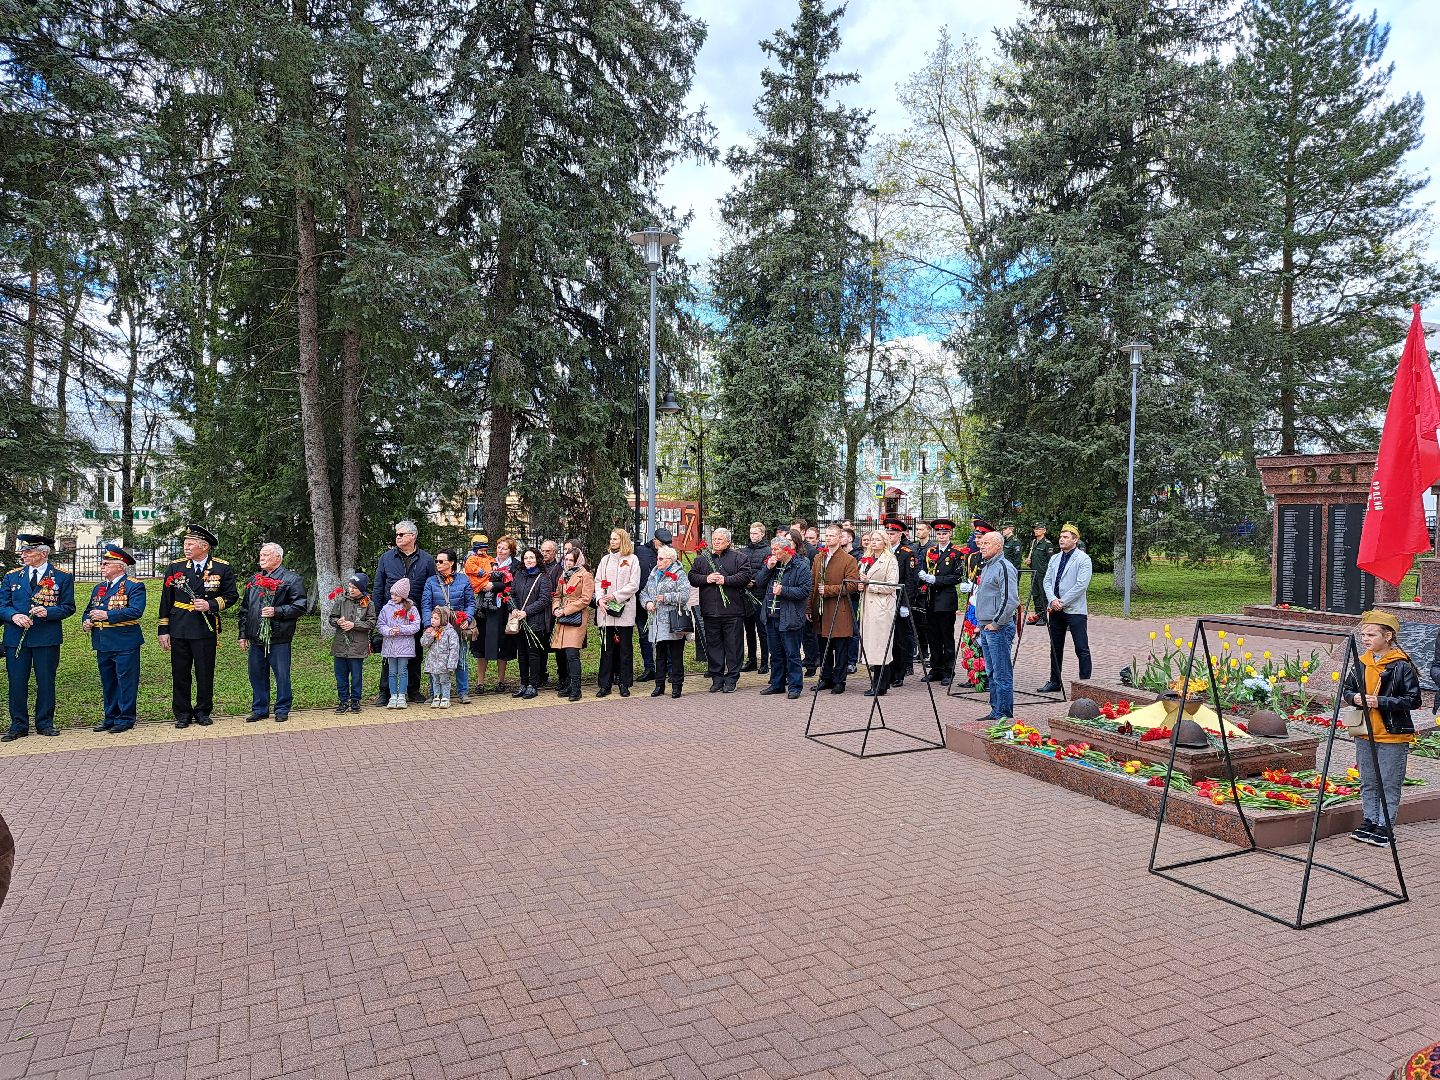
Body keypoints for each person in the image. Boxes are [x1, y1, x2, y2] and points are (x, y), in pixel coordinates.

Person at [1341, 610, 1422, 847]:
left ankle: (1384, 825)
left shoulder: (1401, 665)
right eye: (1363, 634)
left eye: (1371, 635)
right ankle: (1369, 820)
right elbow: (1347, 689)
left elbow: (1413, 700)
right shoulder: (1361, 662)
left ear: (1387, 636)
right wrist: (1354, 697)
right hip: (1364, 731)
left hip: (1392, 734)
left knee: (1388, 781)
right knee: (1368, 779)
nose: (1365, 639)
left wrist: (1381, 702)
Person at [158, 523, 238, 730]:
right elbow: (165, 601)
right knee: (180, 672)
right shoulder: (175, 568)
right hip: (180, 627)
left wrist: (210, 605)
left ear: (204, 546)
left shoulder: (221, 567)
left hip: (205, 628)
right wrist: (163, 630)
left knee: (204, 672)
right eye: (185, 543)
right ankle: (182, 713)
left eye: (190, 543)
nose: (186, 547)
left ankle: (203, 711)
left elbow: (231, 596)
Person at [1, 533, 76, 741]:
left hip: (46, 637)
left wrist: (49, 612)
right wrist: (14, 615)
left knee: (45, 681)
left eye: (28, 551)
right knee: (16, 682)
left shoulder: (62, 576)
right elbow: (2, 606)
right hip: (16, 638)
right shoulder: (12, 576)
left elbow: (69, 607)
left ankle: (45, 723)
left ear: (42, 553)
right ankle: (18, 725)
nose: (23, 554)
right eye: (23, 551)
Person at [237, 542, 309, 723]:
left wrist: (277, 611)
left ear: (278, 557)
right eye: (261, 555)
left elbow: (300, 606)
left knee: (282, 675)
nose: (261, 558)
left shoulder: (291, 579)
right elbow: (245, 609)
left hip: (279, 637)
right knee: (257, 675)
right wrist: (243, 634)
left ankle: (282, 708)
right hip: (256, 637)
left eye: (266, 555)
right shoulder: (253, 580)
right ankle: (260, 709)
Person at [80, 542, 145, 735]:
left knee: (126, 682)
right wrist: (86, 621)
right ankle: (110, 717)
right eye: (102, 564)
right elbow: (88, 611)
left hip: (125, 641)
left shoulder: (134, 586)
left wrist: (107, 615)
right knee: (108, 682)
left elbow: (136, 611)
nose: (102, 567)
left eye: (106, 564)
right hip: (102, 641)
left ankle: (125, 718)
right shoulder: (99, 588)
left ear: (120, 566)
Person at [372, 520, 436, 705]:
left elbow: (431, 586)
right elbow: (378, 586)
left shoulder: (426, 559)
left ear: (412, 536)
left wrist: (428, 616)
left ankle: (413, 690)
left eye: (401, 534)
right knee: (389, 654)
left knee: (415, 652)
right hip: (390, 613)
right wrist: (378, 614)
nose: (397, 537)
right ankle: (385, 692)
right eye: (397, 534)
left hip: (415, 614)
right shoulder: (387, 558)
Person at [690, 527, 750, 693]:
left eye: (720, 539)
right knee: (714, 646)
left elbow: (745, 576)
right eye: (714, 539)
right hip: (710, 611)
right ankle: (717, 678)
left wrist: (726, 580)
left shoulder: (740, 558)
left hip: (733, 611)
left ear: (728, 542)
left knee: (733, 646)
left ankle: (732, 678)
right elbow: (692, 577)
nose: (716, 542)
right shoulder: (703, 559)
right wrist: (706, 578)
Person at [1037, 523, 1092, 694]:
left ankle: (1086, 684)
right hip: (1055, 610)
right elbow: (1047, 581)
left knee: (1081, 647)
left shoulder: (1083, 559)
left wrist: (1062, 601)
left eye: (1066, 537)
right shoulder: (1054, 558)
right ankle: (1055, 681)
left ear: (1075, 540)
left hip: (1074, 610)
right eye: (1061, 536)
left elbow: (1081, 585)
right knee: (1055, 647)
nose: (1061, 539)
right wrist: (1053, 600)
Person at [755, 534, 813, 698]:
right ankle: (777, 684)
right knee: (776, 654)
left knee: (792, 654)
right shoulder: (773, 564)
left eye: (776, 550)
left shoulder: (800, 565)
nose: (772, 553)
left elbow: (804, 591)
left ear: (786, 550)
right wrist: (767, 568)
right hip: (771, 615)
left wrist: (784, 591)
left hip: (789, 617)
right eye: (772, 549)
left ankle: (795, 687)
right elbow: (758, 582)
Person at [970, 531, 1019, 722]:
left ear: (998, 546)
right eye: (981, 543)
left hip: (998, 627)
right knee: (991, 672)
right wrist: (980, 624)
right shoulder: (987, 566)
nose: (981, 546)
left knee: (1002, 672)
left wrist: (995, 623)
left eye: (986, 543)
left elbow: (1010, 599)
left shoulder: (1004, 567)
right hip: (987, 626)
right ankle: (995, 710)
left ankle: (1004, 713)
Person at [808, 523, 859, 694]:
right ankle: (825, 678)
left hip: (839, 610)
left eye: (831, 536)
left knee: (841, 648)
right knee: (823, 647)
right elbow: (812, 584)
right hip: (821, 611)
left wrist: (830, 590)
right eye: (826, 536)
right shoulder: (818, 558)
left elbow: (852, 585)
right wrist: (809, 607)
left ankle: (839, 681)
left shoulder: (848, 560)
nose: (828, 538)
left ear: (839, 538)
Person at [421, 549, 476, 703]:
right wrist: (428, 624)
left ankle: (463, 692)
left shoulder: (463, 580)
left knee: (460, 658)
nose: (437, 564)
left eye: (441, 561)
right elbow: (426, 605)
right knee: (435, 658)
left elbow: (470, 603)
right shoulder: (431, 581)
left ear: (451, 563)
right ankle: (434, 693)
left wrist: (468, 617)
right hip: (438, 627)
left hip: (458, 626)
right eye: (436, 561)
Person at [915, 518, 965, 686]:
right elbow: (925, 570)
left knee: (946, 636)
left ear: (950, 534)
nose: (942, 536)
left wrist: (935, 579)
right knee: (933, 636)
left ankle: (948, 669)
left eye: (945, 533)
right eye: (939, 533)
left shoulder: (957, 552)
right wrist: (924, 579)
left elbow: (957, 577)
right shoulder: (931, 551)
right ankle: (935, 668)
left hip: (946, 599)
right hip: (931, 599)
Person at [592, 528, 641, 697]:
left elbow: (634, 584)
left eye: (615, 539)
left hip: (624, 610)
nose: (612, 542)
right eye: (611, 539)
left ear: (623, 541)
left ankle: (624, 683)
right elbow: (598, 581)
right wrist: (600, 599)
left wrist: (615, 596)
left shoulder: (632, 559)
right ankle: (604, 685)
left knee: (625, 649)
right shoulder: (605, 560)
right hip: (605, 611)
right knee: (606, 649)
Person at [640, 544, 691, 698]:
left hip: (673, 620)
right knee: (660, 655)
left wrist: (666, 597)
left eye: (661, 559)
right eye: (657, 558)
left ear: (670, 560)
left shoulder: (679, 574)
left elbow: (685, 595)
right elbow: (644, 593)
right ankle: (659, 685)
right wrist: (647, 603)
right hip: (656, 620)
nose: (658, 561)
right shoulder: (654, 573)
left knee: (675, 655)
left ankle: (677, 686)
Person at [857, 531, 901, 697]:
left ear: (884, 542)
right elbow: (863, 579)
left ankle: (881, 684)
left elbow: (892, 585)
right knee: (871, 645)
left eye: (877, 540)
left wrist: (870, 585)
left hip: (882, 607)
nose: (873, 543)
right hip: (868, 606)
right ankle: (877, 683)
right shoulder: (866, 559)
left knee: (881, 645)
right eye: (872, 540)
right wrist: (861, 585)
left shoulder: (890, 560)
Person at [473, 535, 517, 693]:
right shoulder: (487, 561)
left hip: (502, 610)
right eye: (499, 547)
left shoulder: (515, 566)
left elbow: (512, 585)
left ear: (511, 551)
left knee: (502, 645)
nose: (501, 550)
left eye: (504, 548)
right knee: (481, 645)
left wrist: (493, 586)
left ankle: (501, 681)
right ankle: (480, 682)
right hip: (484, 609)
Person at [508, 546, 553, 699]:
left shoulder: (543, 577)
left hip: (535, 622)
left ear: (537, 559)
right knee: (522, 654)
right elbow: (512, 594)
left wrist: (526, 611)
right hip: (519, 621)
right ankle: (523, 683)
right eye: (526, 558)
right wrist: (513, 609)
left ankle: (533, 685)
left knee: (533, 654)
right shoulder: (519, 575)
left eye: (531, 558)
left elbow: (545, 600)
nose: (528, 560)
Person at [551, 546, 594, 701]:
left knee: (572, 653)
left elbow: (585, 599)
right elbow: (557, 594)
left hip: (576, 617)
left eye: (571, 560)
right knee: (563, 653)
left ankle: (576, 688)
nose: (568, 563)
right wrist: (556, 607)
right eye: (566, 559)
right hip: (562, 617)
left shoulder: (585, 575)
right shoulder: (564, 574)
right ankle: (568, 684)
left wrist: (566, 610)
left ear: (578, 560)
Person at [329, 571, 376, 714]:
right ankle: (343, 701)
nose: (351, 589)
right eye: (349, 586)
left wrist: (354, 625)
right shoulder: (341, 600)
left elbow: (371, 622)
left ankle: (355, 701)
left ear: (361, 589)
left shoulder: (368, 603)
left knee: (356, 676)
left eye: (354, 587)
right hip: (340, 645)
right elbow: (332, 618)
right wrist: (338, 622)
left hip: (357, 646)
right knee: (341, 675)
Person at [883, 518, 917, 689]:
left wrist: (906, 604)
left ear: (900, 534)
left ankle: (899, 673)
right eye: (887, 533)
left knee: (900, 639)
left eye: (893, 533)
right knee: (886, 638)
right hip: (884, 601)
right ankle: (887, 672)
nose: (890, 536)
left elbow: (910, 582)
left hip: (899, 600)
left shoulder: (906, 553)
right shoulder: (883, 552)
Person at [378, 577, 421, 708]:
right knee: (391, 672)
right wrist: (390, 631)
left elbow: (416, 625)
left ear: (403, 595)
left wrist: (401, 629)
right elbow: (380, 624)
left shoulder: (411, 609)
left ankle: (402, 695)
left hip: (404, 646)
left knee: (402, 671)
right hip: (390, 646)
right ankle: (393, 695)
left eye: (396, 594)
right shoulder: (386, 608)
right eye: (392, 594)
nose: (393, 596)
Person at [740, 522, 770, 674]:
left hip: (760, 595)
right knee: (749, 630)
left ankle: (765, 661)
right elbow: (741, 569)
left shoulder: (768, 551)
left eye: (756, 533)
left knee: (762, 630)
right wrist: (745, 581)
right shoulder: (744, 551)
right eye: (751, 533)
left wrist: (756, 582)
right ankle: (751, 660)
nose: (753, 536)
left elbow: (766, 570)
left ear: (762, 534)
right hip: (745, 595)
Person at [534, 540, 564, 689]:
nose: (545, 554)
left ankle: (562, 677)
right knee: (540, 645)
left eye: (548, 551)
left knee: (558, 646)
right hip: (540, 612)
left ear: (555, 552)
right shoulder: (537, 568)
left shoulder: (559, 569)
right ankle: (541, 674)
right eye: (543, 551)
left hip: (554, 611)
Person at [421, 606, 461, 708]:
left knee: (444, 680)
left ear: (443, 619)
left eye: (436, 618)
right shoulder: (430, 630)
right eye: (432, 618)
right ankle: (436, 696)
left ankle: (446, 698)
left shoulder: (450, 632)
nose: (433, 620)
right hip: (433, 663)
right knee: (435, 680)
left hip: (445, 663)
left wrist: (451, 664)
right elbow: (423, 644)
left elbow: (454, 649)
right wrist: (431, 635)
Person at [634, 531, 660, 683]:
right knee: (644, 635)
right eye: (660, 543)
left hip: (662, 603)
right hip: (642, 602)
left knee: (663, 635)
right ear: (655, 540)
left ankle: (668, 668)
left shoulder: (668, 553)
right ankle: (649, 668)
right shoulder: (641, 551)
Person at [1026, 522, 1054, 625]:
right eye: (1035, 529)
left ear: (1044, 531)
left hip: (1043, 574)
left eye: (1038, 529)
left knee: (1043, 595)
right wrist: (1029, 563)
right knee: (1036, 595)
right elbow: (1035, 559)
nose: (1036, 530)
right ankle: (1038, 615)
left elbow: (1051, 561)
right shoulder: (1034, 542)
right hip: (1034, 573)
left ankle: (1043, 617)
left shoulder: (1047, 544)